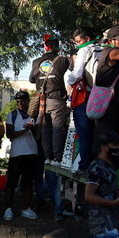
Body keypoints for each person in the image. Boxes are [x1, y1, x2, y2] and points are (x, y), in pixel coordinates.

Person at [29, 36, 71, 166]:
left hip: (42, 101)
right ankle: (57, 158)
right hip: (57, 99)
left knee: (46, 129)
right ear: (57, 47)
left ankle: (48, 157)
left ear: (45, 47)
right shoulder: (63, 60)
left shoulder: (36, 62)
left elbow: (32, 79)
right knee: (58, 128)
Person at [64, 27, 98, 171]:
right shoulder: (101, 48)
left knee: (84, 132)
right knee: (97, 131)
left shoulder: (84, 50)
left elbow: (77, 73)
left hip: (84, 96)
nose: (78, 45)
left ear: (87, 39)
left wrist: (69, 82)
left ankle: (84, 165)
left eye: (79, 41)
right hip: (100, 95)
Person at [3, 91, 39, 221]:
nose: (20, 103)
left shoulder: (34, 116)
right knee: (11, 182)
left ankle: (26, 208)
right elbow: (9, 134)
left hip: (31, 152)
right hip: (16, 153)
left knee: (28, 182)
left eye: (23, 100)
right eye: (18, 101)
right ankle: (8, 209)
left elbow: (38, 134)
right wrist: (25, 130)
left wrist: (32, 128)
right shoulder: (11, 115)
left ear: (28, 101)